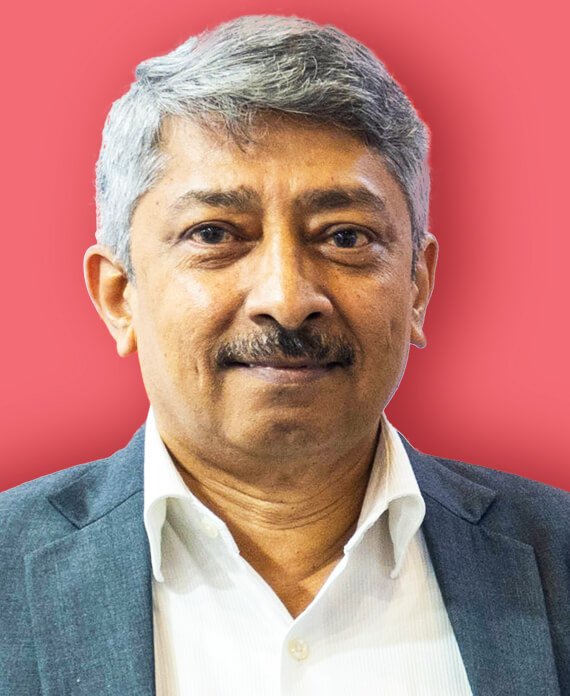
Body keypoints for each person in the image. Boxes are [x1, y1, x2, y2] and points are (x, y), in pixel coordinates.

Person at [0, 15, 568, 696]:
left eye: (345, 237)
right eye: (215, 234)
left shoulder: (557, 555)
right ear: (120, 296)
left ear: (416, 287)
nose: (287, 299)